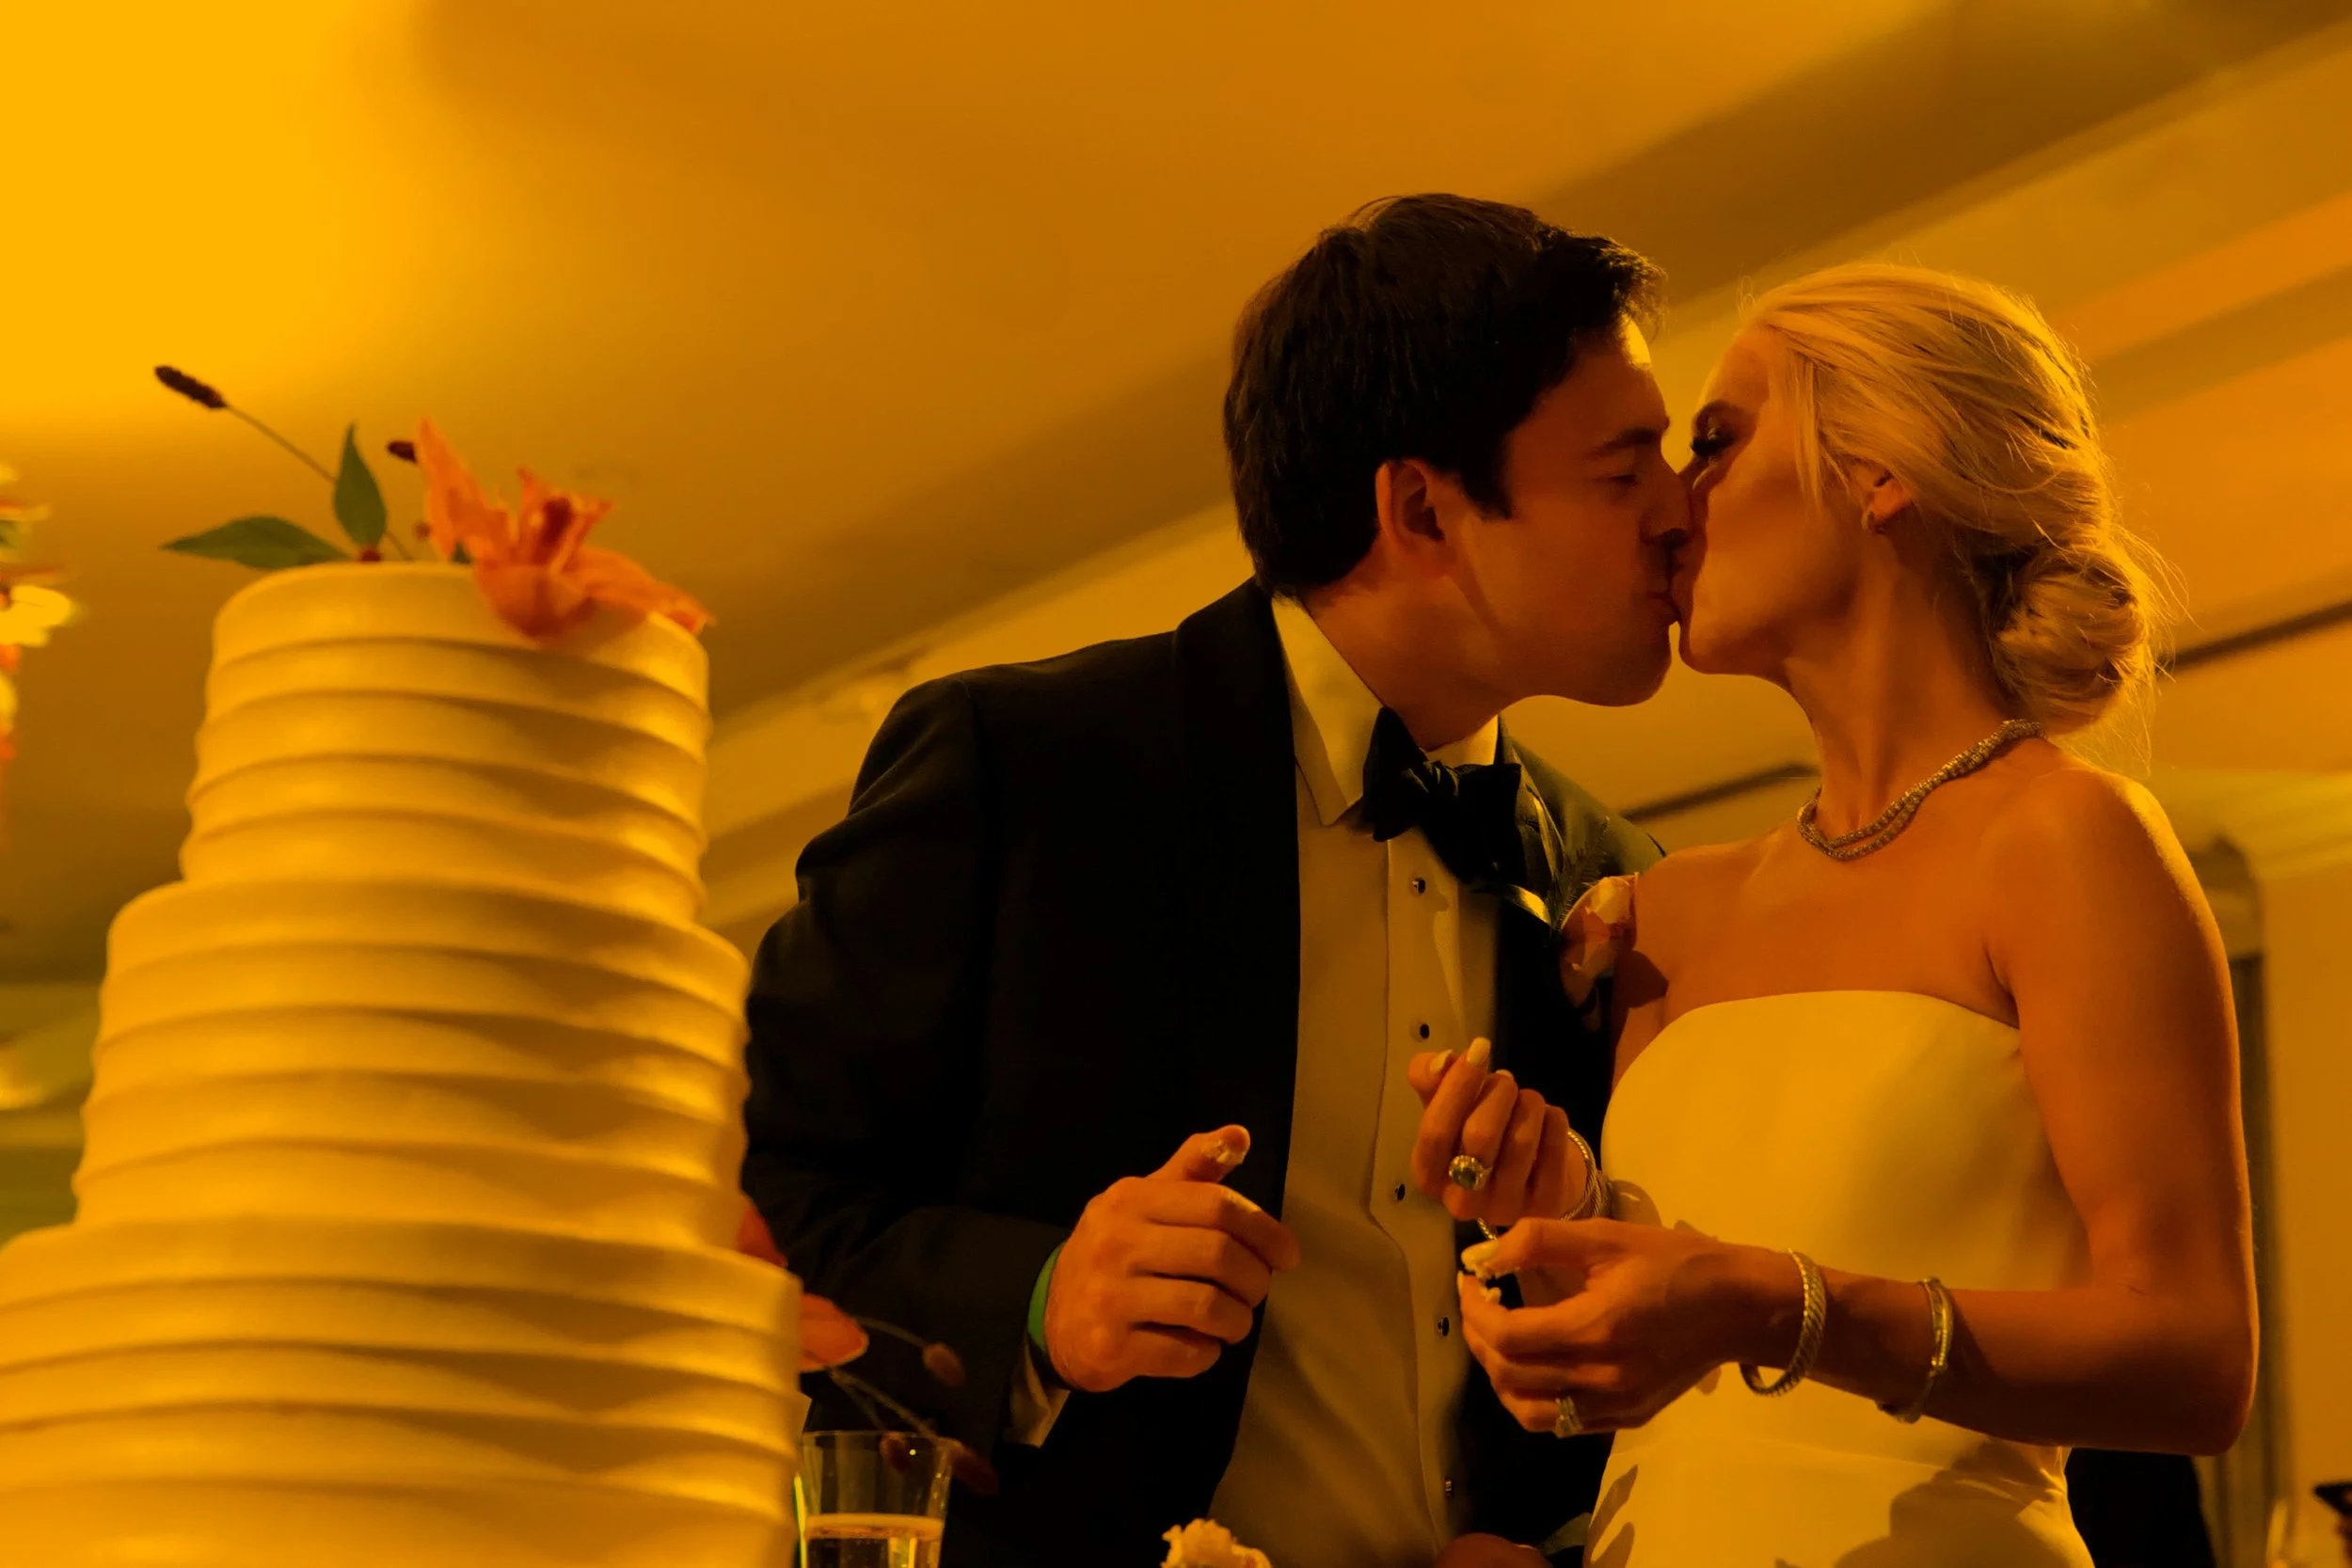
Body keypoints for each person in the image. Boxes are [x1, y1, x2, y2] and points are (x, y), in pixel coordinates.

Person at [739, 193, 1688, 1567]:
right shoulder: (1025, 766)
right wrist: (1044, 1299)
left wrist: (1537, 1526)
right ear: (1420, 507)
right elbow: (767, 1201)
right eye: (1623, 468)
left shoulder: (1615, 875)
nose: (1681, 511)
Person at [1424, 263, 2258, 1565]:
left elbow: (2197, 1360)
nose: (1669, 505)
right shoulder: (1666, 912)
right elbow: (1671, 1374)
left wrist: (1777, 1305)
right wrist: (1547, 1251)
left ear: (1881, 473)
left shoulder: (2064, 839)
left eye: (1715, 441)